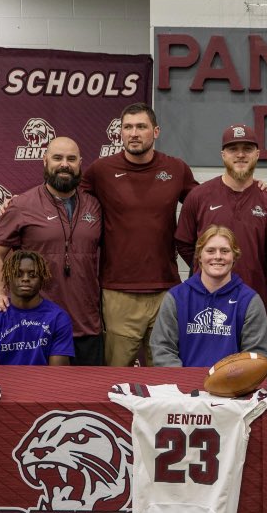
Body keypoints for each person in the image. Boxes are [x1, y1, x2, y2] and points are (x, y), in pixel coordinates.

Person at [81, 103, 197, 366]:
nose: (134, 133)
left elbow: (205, 202)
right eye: (128, 127)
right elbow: (63, 194)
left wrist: (247, 185)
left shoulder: (177, 169)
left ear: (155, 131)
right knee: (116, 376)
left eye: (141, 127)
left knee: (166, 374)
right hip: (118, 292)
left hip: (166, 290)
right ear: (120, 133)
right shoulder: (101, 170)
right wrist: (23, 202)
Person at [0, 136, 103, 365]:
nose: (64, 164)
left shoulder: (95, 205)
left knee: (87, 399)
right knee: (41, 398)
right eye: (57, 158)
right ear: (45, 160)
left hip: (86, 325)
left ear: (80, 163)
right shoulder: (22, 205)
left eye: (71, 159)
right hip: (37, 326)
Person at [176, 123, 267, 323]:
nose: (240, 155)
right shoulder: (199, 196)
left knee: (252, 356)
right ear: (223, 154)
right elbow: (185, 243)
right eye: (233, 149)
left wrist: (252, 270)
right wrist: (206, 267)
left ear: (257, 154)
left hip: (253, 302)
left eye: (247, 149)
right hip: (205, 303)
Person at [150, 225, 267, 367]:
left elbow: (255, 356)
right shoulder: (176, 297)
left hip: (232, 385)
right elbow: (162, 349)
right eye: (210, 251)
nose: (218, 256)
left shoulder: (249, 301)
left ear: (234, 256)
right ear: (200, 256)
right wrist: (184, 381)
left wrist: (227, 383)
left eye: (225, 251)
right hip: (183, 385)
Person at [0, 250, 74, 365]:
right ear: (8, 277)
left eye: (33, 275)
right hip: (2, 382)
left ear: (42, 279)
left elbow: (58, 374)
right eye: (18, 274)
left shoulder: (58, 318)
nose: (25, 279)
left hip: (44, 382)